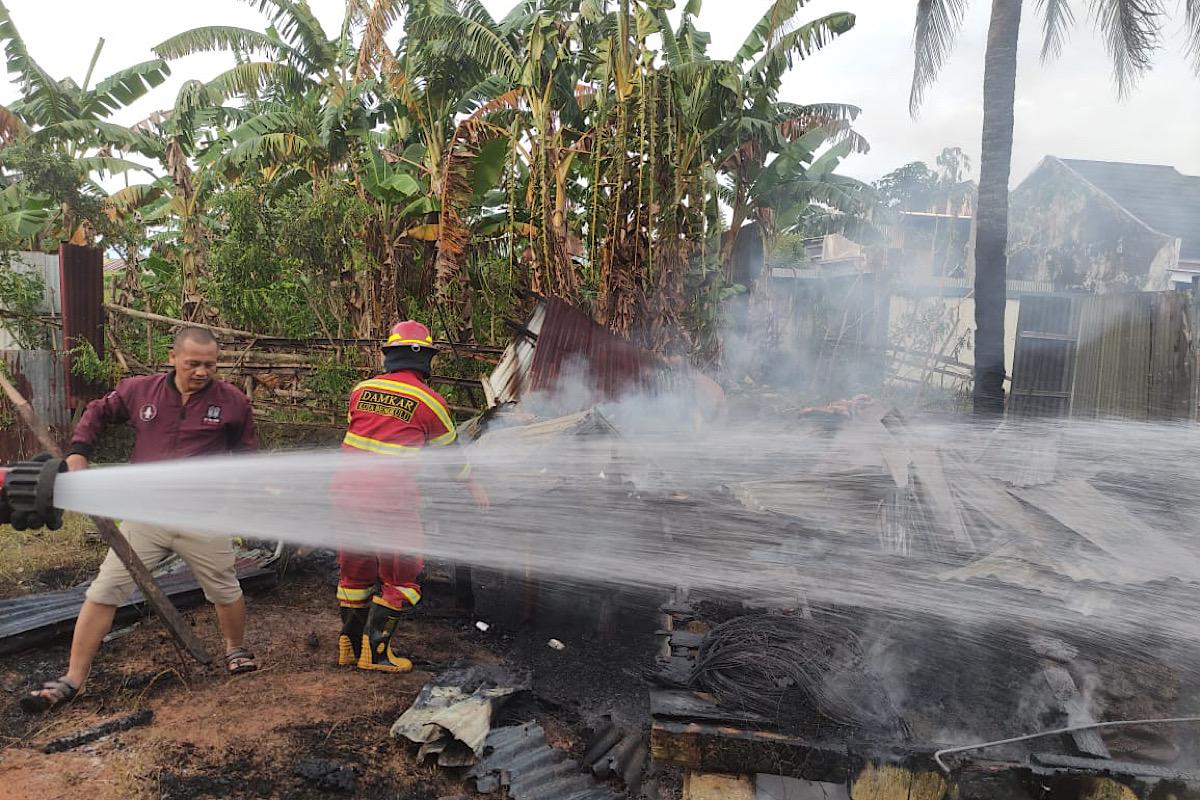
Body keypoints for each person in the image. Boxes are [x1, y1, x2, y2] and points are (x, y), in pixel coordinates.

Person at [21, 327, 260, 713]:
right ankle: (72, 679)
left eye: (210, 365)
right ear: (173, 358)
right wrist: (79, 452)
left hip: (203, 516)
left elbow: (247, 457)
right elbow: (98, 411)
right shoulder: (139, 391)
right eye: (193, 363)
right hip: (145, 516)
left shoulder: (232, 402)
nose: (202, 372)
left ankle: (235, 649)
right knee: (104, 591)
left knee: (224, 587)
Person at [335, 320, 487, 673]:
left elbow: (368, 434)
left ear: (390, 355)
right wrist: (475, 485)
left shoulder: (361, 390)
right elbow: (450, 456)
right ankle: (376, 652)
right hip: (390, 502)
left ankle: (350, 645)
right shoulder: (430, 402)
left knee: (355, 574)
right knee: (401, 577)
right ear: (425, 360)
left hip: (345, 495)